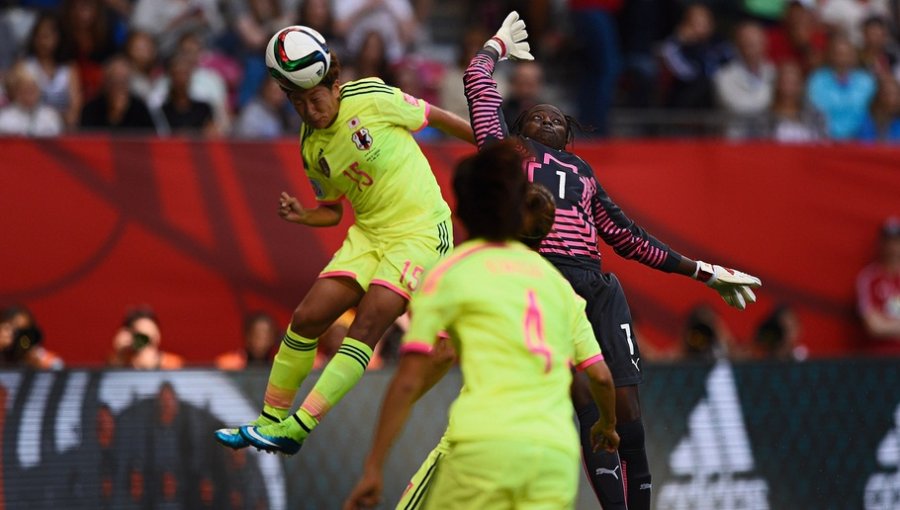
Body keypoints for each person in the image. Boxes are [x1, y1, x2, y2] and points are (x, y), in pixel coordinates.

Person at [460, 12, 762, 510]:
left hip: (597, 286)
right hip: (541, 276)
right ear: (520, 127)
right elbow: (477, 83)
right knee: (584, 399)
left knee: (627, 408)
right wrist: (495, 46)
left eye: (557, 117)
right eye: (537, 115)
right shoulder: (505, 151)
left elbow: (629, 238)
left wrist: (705, 272)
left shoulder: (586, 173)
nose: (549, 118)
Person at [213, 47, 473, 454]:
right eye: (298, 103)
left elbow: (434, 116)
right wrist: (304, 215)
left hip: (420, 231)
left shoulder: (371, 96)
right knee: (306, 318)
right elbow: (332, 212)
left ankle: (298, 428)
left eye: (315, 99)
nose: (309, 110)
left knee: (368, 323)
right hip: (368, 234)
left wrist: (494, 144)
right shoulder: (310, 146)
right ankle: (270, 419)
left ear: (335, 87)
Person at [343, 141, 620, 510]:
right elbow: (600, 376)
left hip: (483, 445)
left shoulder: (451, 271)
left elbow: (411, 376)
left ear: (461, 212)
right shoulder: (558, 287)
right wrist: (607, 425)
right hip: (554, 452)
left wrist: (373, 467)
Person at [713, 21, 775, 139]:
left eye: (756, 42)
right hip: (736, 143)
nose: (752, 46)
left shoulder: (774, 73)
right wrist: (770, 104)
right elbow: (738, 108)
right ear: (738, 45)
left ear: (765, 43)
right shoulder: (723, 76)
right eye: (747, 42)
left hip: (767, 142)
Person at [806, 34, 876, 140]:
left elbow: (873, 113)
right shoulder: (817, 80)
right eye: (837, 53)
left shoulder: (866, 81)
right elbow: (816, 112)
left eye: (846, 53)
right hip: (826, 141)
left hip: (861, 141)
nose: (842, 57)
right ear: (829, 55)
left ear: (854, 55)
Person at [856, 217, 900, 354]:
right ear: (881, 243)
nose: (893, 247)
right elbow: (874, 327)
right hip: (881, 359)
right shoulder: (868, 278)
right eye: (889, 241)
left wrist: (887, 324)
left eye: (897, 241)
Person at [108, 306, 185, 370]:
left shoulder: (174, 364)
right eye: (141, 336)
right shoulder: (123, 361)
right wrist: (120, 353)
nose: (144, 342)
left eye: (149, 337)